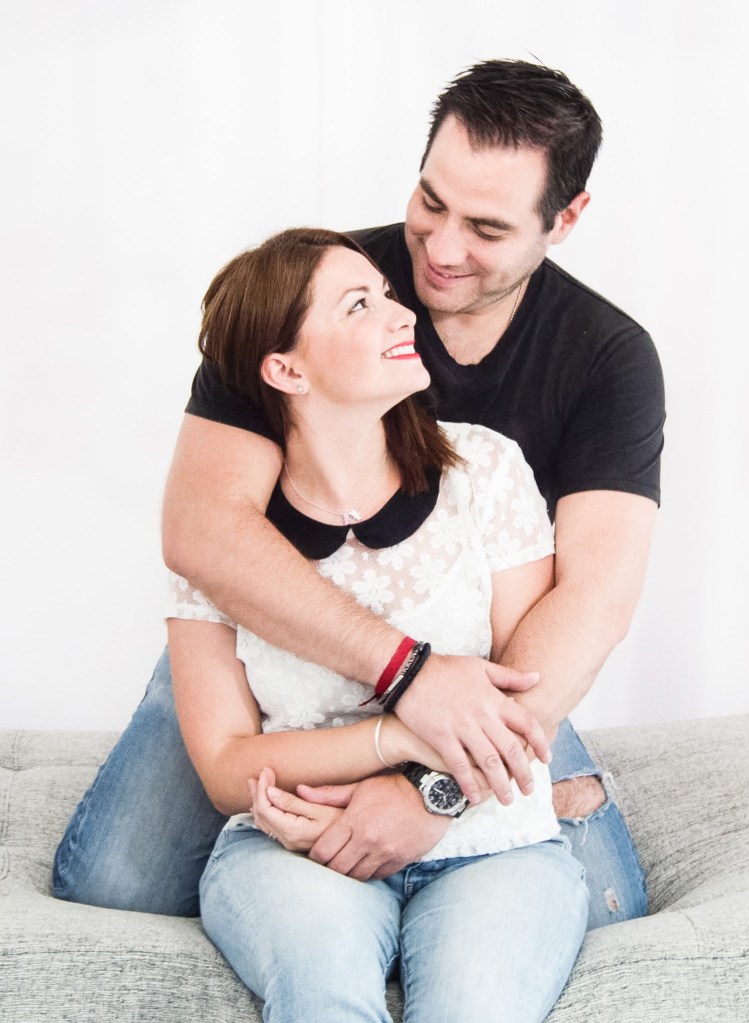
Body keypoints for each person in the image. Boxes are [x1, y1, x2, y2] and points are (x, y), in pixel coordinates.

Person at [54, 59, 664, 929]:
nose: (440, 250)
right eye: (431, 202)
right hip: (280, 654)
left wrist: (434, 788)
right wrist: (404, 676)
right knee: (117, 886)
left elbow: (596, 600)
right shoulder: (306, 293)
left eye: (486, 228)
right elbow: (200, 526)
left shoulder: (608, 357)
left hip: (482, 672)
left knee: (603, 912)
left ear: (564, 219)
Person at [169, 226, 588, 1021]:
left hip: (490, 841)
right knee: (323, 994)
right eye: (360, 305)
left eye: (388, 296)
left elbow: (522, 696)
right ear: (286, 369)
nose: (403, 315)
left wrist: (424, 789)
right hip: (299, 846)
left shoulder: (486, 472)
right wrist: (396, 735)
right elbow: (226, 766)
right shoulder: (228, 543)